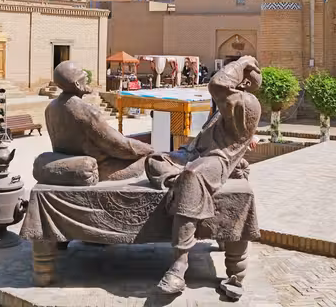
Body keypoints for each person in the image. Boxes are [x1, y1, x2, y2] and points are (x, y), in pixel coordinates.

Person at [145, 56, 261, 294]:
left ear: (245, 83)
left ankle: (179, 264)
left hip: (218, 160)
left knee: (191, 176)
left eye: (236, 72)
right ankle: (178, 182)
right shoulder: (224, 105)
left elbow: (217, 84)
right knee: (154, 159)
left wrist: (244, 61)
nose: (231, 73)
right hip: (195, 153)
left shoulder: (247, 102)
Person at [45, 61, 153, 181]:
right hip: (97, 168)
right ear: (77, 84)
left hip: (67, 163)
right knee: (152, 159)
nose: (86, 74)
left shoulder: (50, 108)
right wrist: (147, 148)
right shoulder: (86, 112)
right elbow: (119, 145)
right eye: (82, 73)